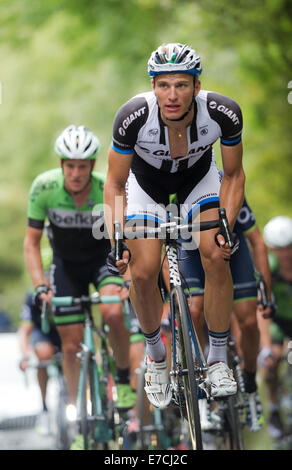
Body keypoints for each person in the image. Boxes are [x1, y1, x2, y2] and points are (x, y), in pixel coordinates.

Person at [104, 43, 245, 409]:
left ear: (197, 87)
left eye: (181, 85)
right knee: (143, 270)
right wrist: (117, 239)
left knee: (216, 253)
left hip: (198, 181)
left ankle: (216, 359)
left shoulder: (222, 113)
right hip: (145, 185)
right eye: (163, 85)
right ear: (153, 86)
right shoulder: (133, 115)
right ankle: (156, 355)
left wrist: (225, 228)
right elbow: (114, 184)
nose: (172, 95)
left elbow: (233, 174)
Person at [24, 125, 136, 413]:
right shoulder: (43, 188)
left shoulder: (105, 188)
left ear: (93, 165)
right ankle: (77, 413)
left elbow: (127, 238)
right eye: (70, 166)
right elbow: (31, 243)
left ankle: (122, 380)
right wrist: (40, 286)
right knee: (71, 347)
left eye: (82, 166)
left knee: (112, 310)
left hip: (102, 260)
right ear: (61, 164)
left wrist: (127, 279)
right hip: (65, 266)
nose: (76, 173)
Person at [168, 188, 273, 432]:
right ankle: (200, 390)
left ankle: (249, 384)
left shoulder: (227, 185)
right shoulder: (171, 192)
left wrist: (265, 293)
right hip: (193, 254)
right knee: (193, 312)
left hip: (233, 253)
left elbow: (257, 242)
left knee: (248, 321)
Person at [18, 246, 61, 435]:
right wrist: (27, 354)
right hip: (42, 332)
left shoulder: (66, 287)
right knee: (43, 354)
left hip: (63, 331)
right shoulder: (32, 295)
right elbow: (24, 331)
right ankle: (44, 408)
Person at [262, 216, 292, 439]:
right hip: (279, 322)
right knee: (271, 362)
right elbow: (261, 310)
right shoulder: (267, 270)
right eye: (279, 249)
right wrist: (266, 348)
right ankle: (273, 408)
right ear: (271, 248)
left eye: (289, 247)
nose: (285, 254)